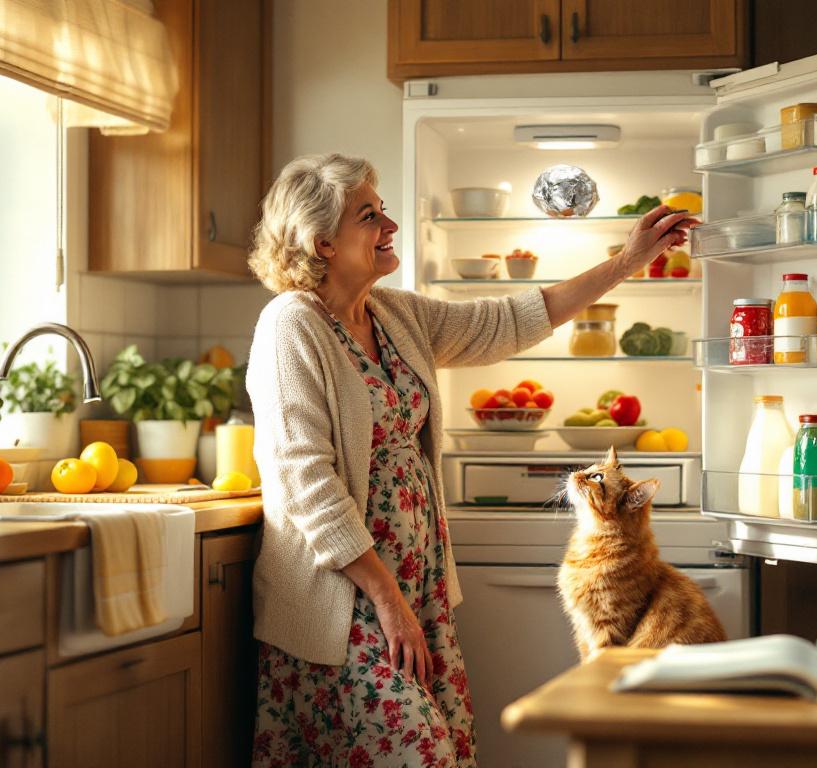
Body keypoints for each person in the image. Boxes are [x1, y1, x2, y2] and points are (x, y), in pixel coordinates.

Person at [246, 153, 691, 767]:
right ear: (322, 242)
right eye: (369, 216)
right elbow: (307, 483)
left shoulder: (395, 313)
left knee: (443, 751)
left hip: (414, 588)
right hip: (346, 601)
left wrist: (627, 261)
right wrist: (386, 600)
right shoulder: (290, 327)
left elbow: (511, 320)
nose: (390, 225)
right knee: (421, 753)